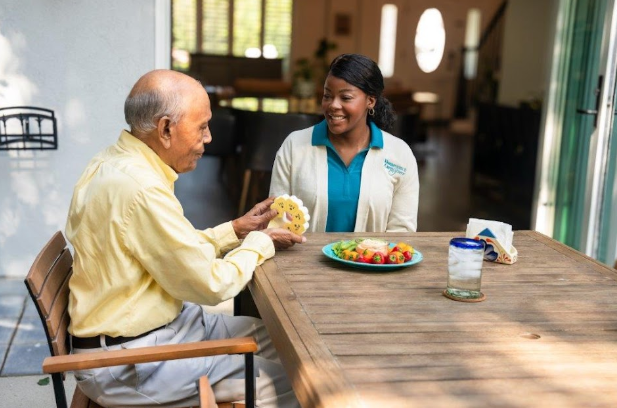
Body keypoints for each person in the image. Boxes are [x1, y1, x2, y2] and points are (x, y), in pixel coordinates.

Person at [65, 69, 303, 407]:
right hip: (128, 360)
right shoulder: (140, 188)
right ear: (165, 129)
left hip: (158, 330)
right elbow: (210, 285)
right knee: (289, 380)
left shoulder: (114, 161)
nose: (208, 138)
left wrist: (235, 230)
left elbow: (170, 248)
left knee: (284, 343)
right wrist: (259, 244)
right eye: (202, 126)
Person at [269, 53, 419, 232]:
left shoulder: (399, 154)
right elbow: (277, 221)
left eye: (345, 98)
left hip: (373, 260)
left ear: (370, 101)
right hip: (303, 259)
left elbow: (402, 232)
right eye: (327, 96)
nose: (333, 105)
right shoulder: (294, 146)